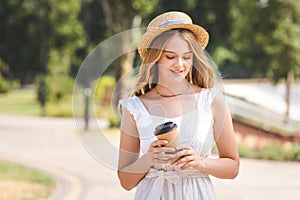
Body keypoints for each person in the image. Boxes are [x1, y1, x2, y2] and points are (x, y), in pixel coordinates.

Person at [117, 11, 239, 200]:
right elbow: (126, 181)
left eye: (187, 57)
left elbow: (233, 167)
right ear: (156, 57)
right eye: (170, 57)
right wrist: (149, 158)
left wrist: (200, 163)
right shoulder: (135, 108)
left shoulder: (212, 101)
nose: (180, 64)